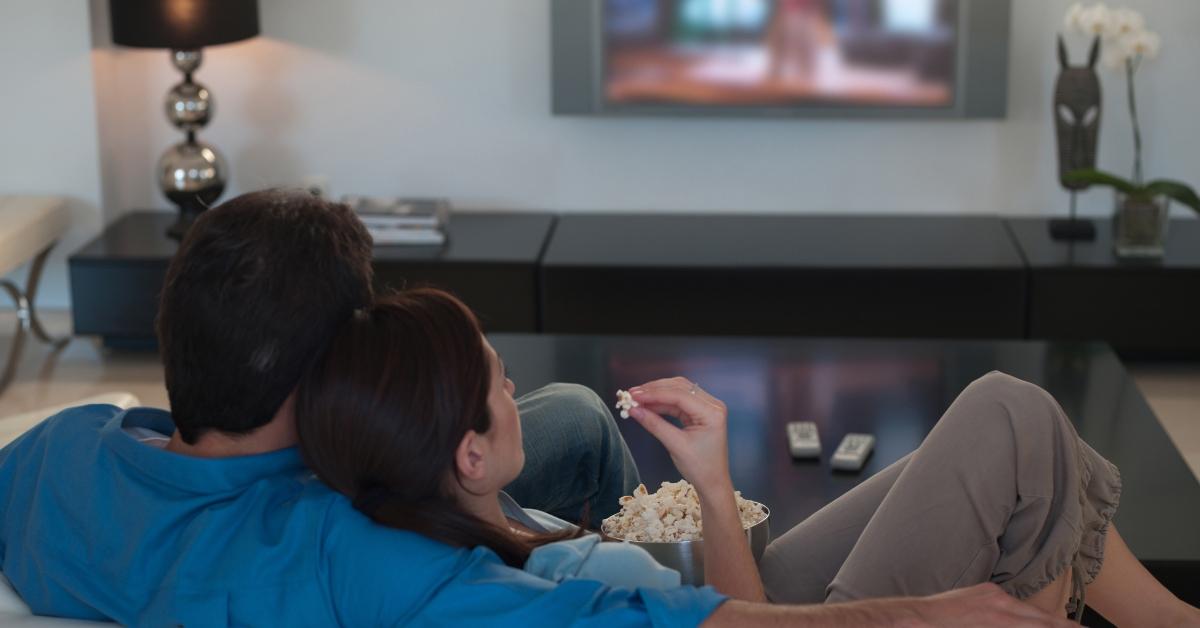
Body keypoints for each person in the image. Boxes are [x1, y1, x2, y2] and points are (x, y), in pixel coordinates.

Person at [0, 190, 1082, 626]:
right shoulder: (356, 549)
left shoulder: (57, 450)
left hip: (217, 475)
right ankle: (634, 542)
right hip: (581, 577)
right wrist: (929, 611)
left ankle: (629, 524)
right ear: (316, 378)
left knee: (564, 413)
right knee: (1012, 424)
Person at [294, 288, 1199, 626]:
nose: (512, 383)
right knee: (1013, 416)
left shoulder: (429, 522)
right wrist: (716, 489)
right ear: (468, 456)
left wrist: (713, 485)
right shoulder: (571, 577)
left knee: (1026, 433)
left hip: (744, 611)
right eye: (498, 381)